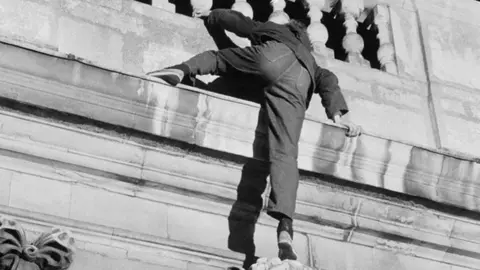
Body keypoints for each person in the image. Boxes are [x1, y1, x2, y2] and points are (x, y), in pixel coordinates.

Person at [147, 8, 362, 261]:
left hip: (271, 58)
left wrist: (212, 16)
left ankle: (182, 70)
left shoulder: (275, 30)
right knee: (286, 154)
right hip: (299, 82)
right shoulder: (311, 59)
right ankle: (285, 226)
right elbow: (328, 80)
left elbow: (240, 23)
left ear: (287, 26)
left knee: (218, 59)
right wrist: (339, 114)